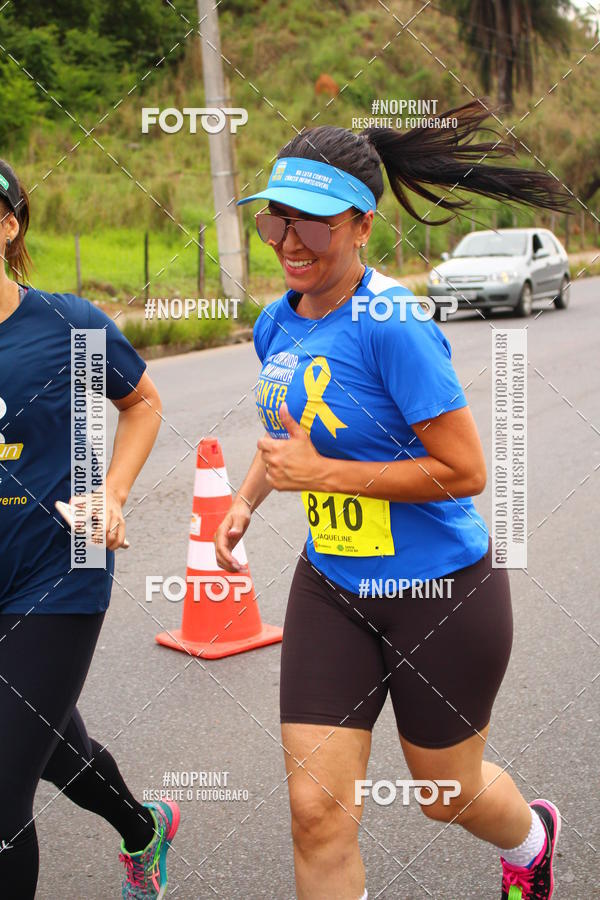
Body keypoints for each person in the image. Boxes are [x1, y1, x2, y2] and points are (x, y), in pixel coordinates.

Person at [215, 100, 571, 899]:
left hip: (440, 591)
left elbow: (465, 470)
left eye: (314, 226)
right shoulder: (278, 321)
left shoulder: (393, 322)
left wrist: (326, 477)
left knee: (446, 795)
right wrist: (247, 499)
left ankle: (530, 840)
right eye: (277, 224)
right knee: (315, 811)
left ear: (364, 226)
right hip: (333, 587)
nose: (291, 244)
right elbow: (292, 436)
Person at [0, 159, 179, 899]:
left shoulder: (69, 325)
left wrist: (112, 491)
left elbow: (142, 402)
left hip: (57, 568)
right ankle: (143, 826)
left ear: (8, 225)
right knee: (50, 749)